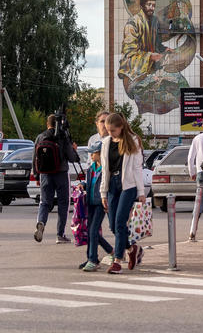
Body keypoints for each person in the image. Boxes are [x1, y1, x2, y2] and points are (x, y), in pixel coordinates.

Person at [100, 113, 146, 274]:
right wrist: (103, 193)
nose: (110, 133)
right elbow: (104, 169)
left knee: (120, 222)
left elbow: (137, 168)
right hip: (112, 185)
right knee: (113, 225)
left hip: (128, 186)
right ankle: (132, 249)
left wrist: (141, 191)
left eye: (113, 130)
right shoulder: (106, 142)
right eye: (107, 130)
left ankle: (118, 261)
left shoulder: (133, 141)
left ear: (121, 127)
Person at [33, 114, 81, 244]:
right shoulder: (62, 137)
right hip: (61, 173)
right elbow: (71, 157)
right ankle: (60, 235)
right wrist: (74, 151)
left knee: (44, 202)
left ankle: (41, 222)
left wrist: (37, 175)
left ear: (47, 124)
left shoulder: (40, 137)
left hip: (45, 174)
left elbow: (35, 158)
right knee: (63, 204)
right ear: (59, 123)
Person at [80, 142, 114, 272]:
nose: (91, 156)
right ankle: (110, 251)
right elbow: (90, 183)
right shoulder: (91, 169)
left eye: (93, 153)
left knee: (93, 230)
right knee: (91, 232)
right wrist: (83, 185)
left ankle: (93, 260)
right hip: (91, 203)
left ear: (100, 154)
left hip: (101, 203)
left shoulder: (106, 169)